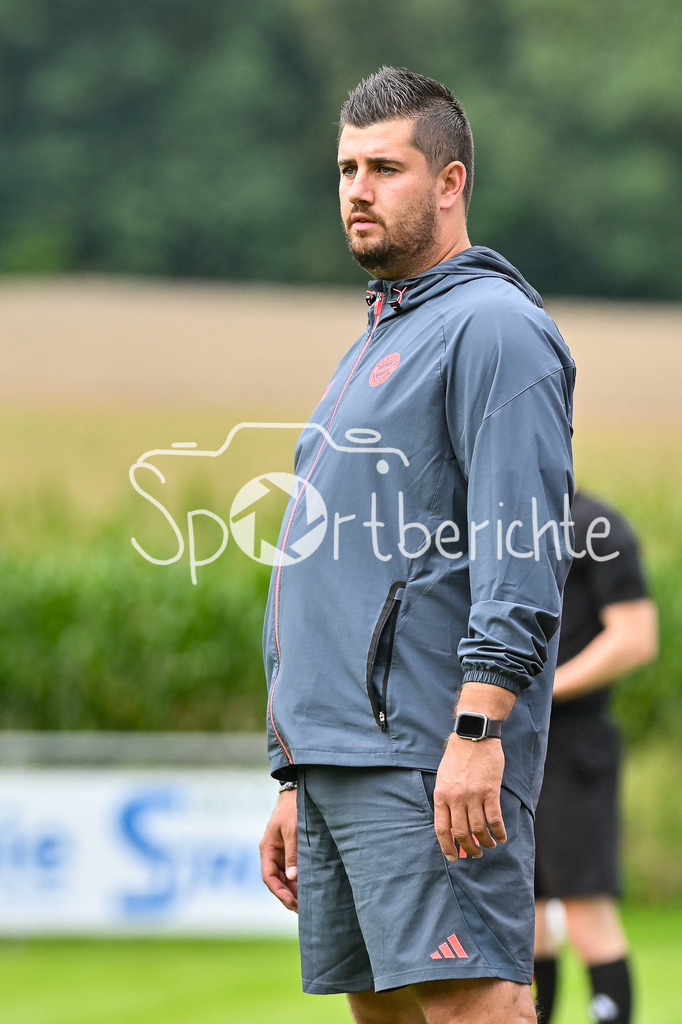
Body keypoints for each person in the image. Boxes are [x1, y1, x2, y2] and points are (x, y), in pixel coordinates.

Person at [259, 66, 575, 1024]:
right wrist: (292, 768)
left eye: (386, 167)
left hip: (430, 750)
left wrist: (477, 731)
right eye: (347, 167)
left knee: (469, 1005)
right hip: (339, 758)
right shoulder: (381, 337)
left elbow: (525, 550)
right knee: (387, 1013)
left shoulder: (494, 327)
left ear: (450, 183)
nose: (358, 188)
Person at [534, 491, 658, 1024]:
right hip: (509, 747)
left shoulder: (595, 525)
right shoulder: (496, 523)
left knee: (587, 915)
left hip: (572, 745)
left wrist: (541, 692)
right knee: (522, 921)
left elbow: (635, 638)